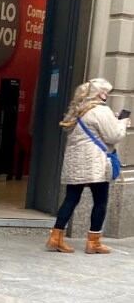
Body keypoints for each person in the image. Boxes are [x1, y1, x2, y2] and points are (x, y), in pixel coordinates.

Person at [46, 78, 127, 254]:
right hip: (95, 162)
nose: (106, 95)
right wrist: (122, 123)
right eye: (104, 92)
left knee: (71, 199)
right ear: (98, 94)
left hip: (76, 163)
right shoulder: (100, 110)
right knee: (100, 201)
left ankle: (56, 237)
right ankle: (94, 242)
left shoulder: (78, 111)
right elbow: (113, 136)